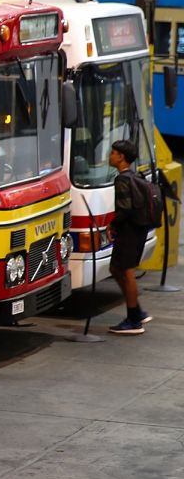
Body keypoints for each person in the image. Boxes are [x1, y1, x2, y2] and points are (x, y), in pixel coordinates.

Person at [108, 139, 153, 335]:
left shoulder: (122, 180)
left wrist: (112, 225)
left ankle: (134, 320)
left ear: (121, 157)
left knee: (126, 272)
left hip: (128, 231)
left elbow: (125, 209)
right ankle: (137, 311)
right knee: (116, 269)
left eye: (113, 153)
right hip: (138, 230)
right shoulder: (135, 176)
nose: (110, 156)